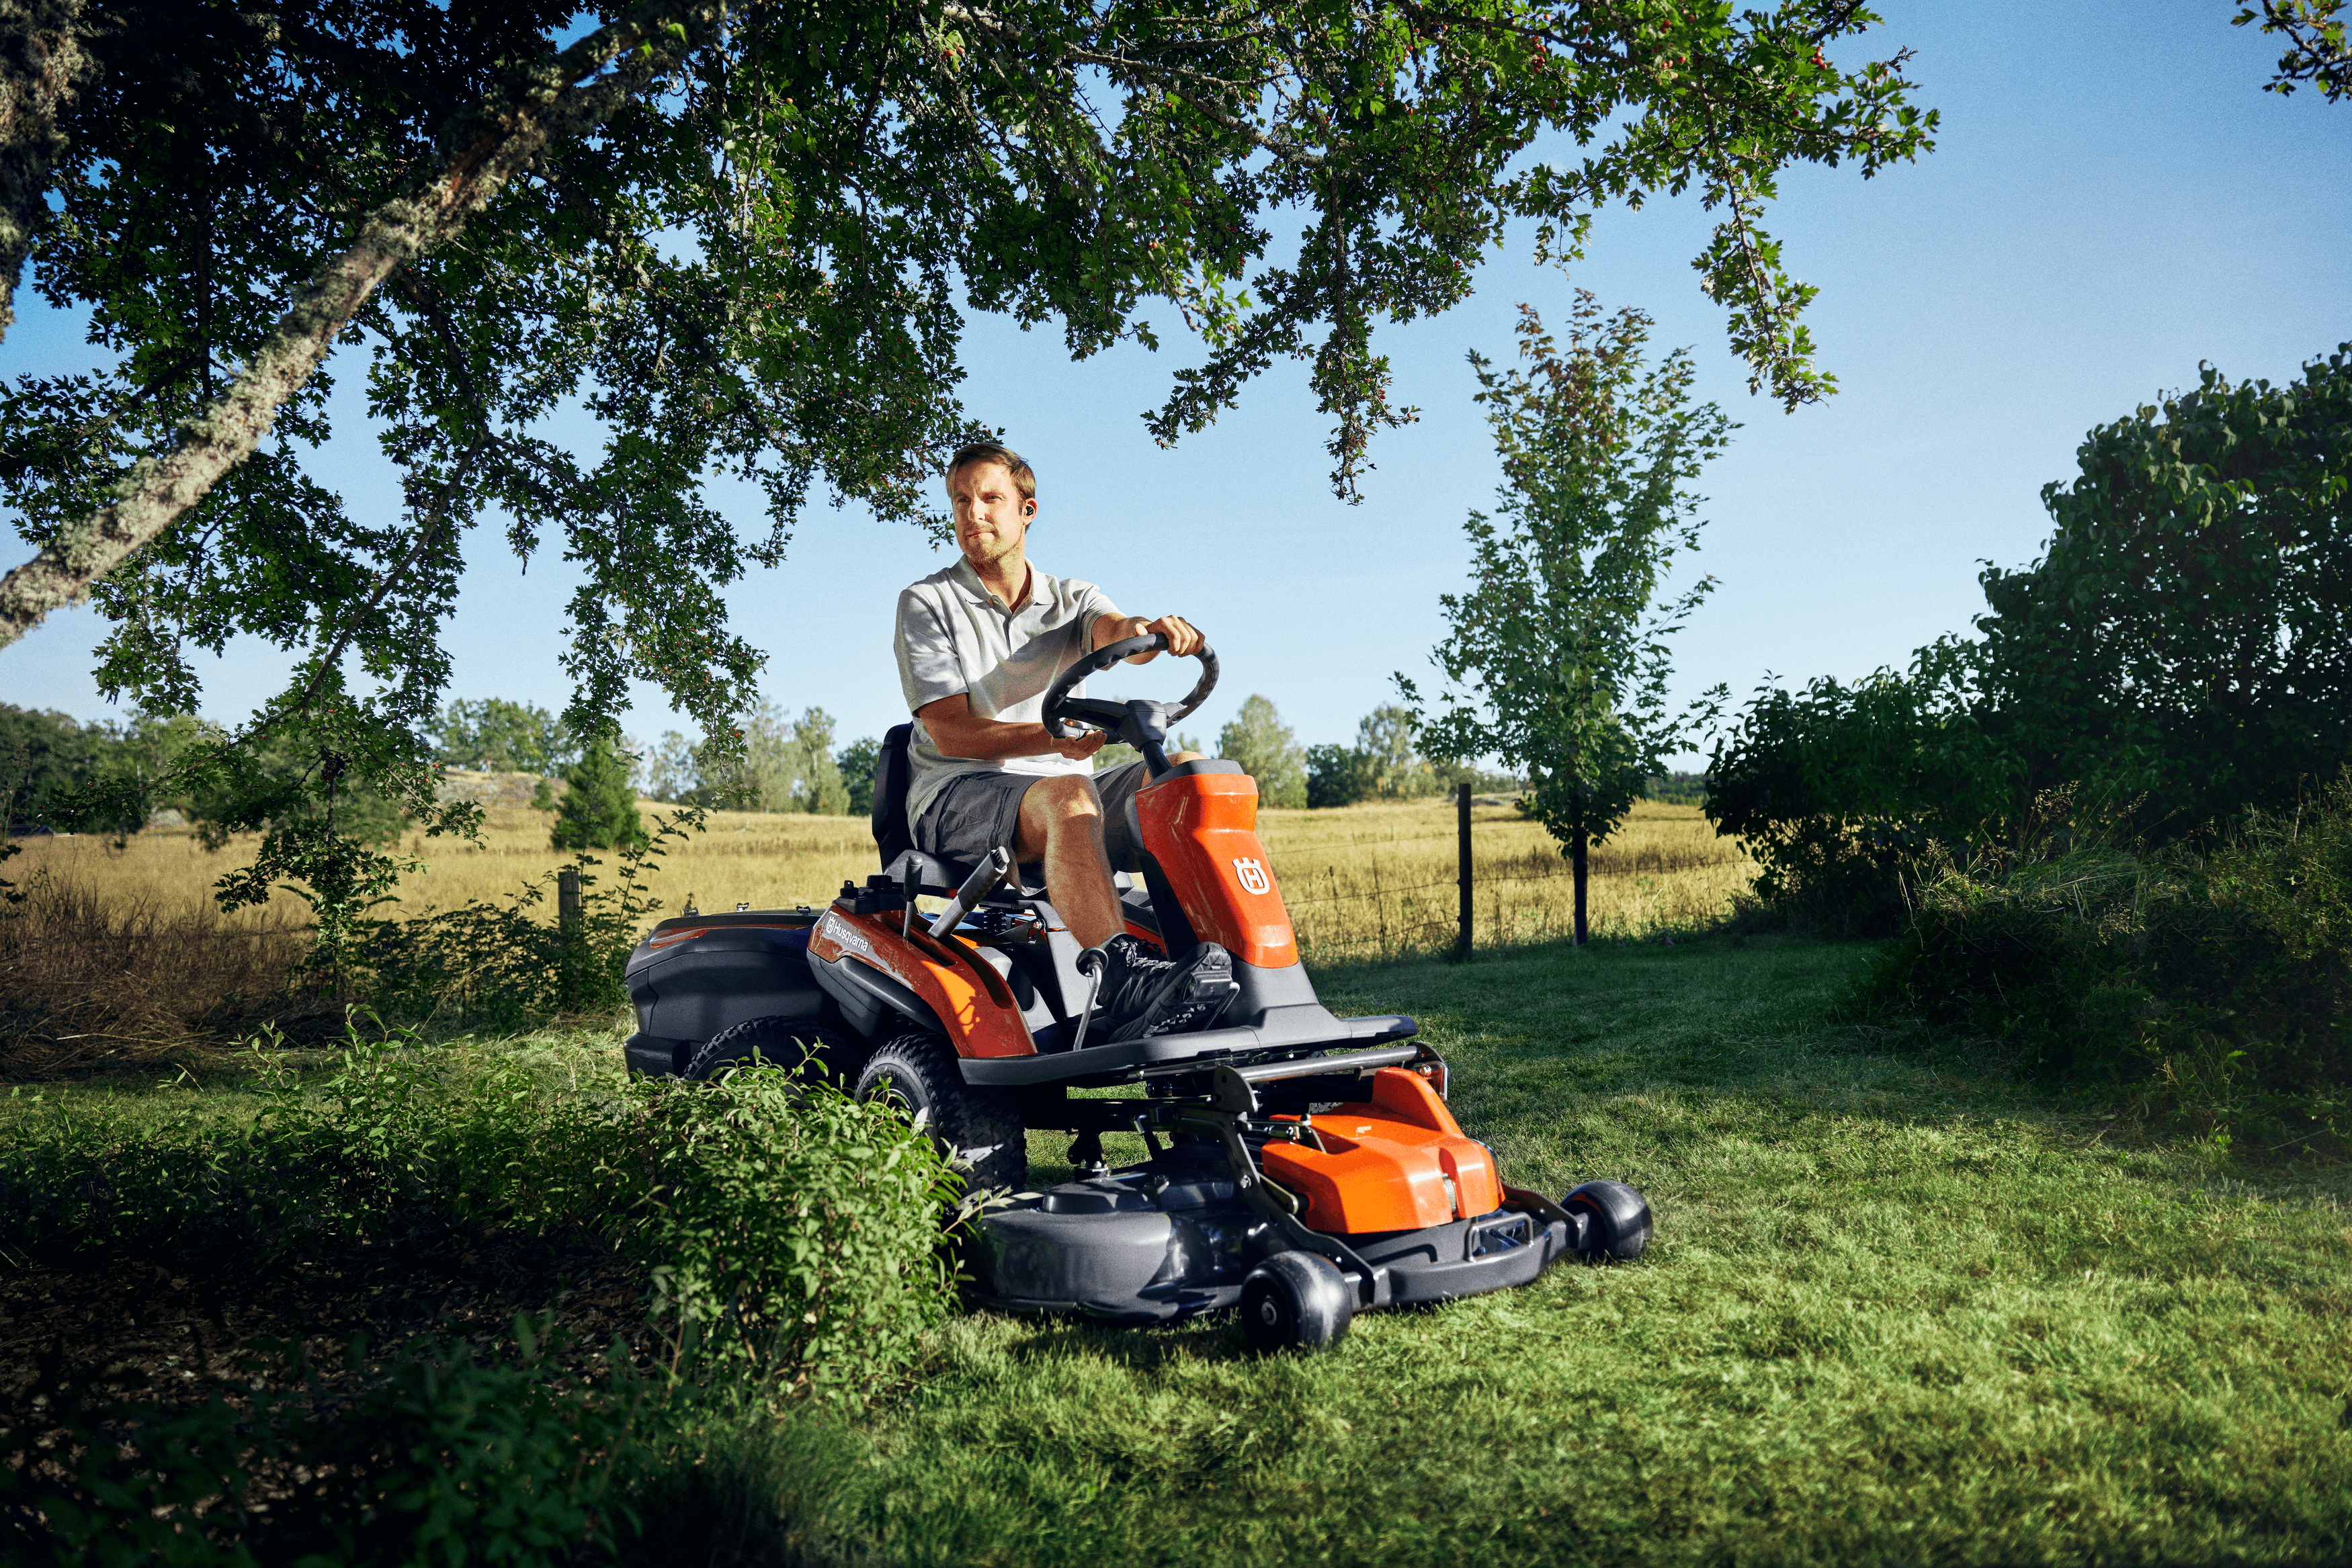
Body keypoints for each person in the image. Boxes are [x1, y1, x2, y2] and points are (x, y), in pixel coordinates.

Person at [892, 441, 1235, 1041]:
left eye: (991, 498)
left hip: (1059, 786)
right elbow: (948, 729)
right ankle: (1124, 978)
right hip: (957, 792)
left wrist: (1148, 631)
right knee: (1069, 795)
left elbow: (1112, 630)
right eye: (961, 501)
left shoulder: (1070, 598)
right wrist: (1050, 735)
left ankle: (1227, 962)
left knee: (1190, 776)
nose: (974, 514)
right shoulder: (928, 602)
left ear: (1026, 511)